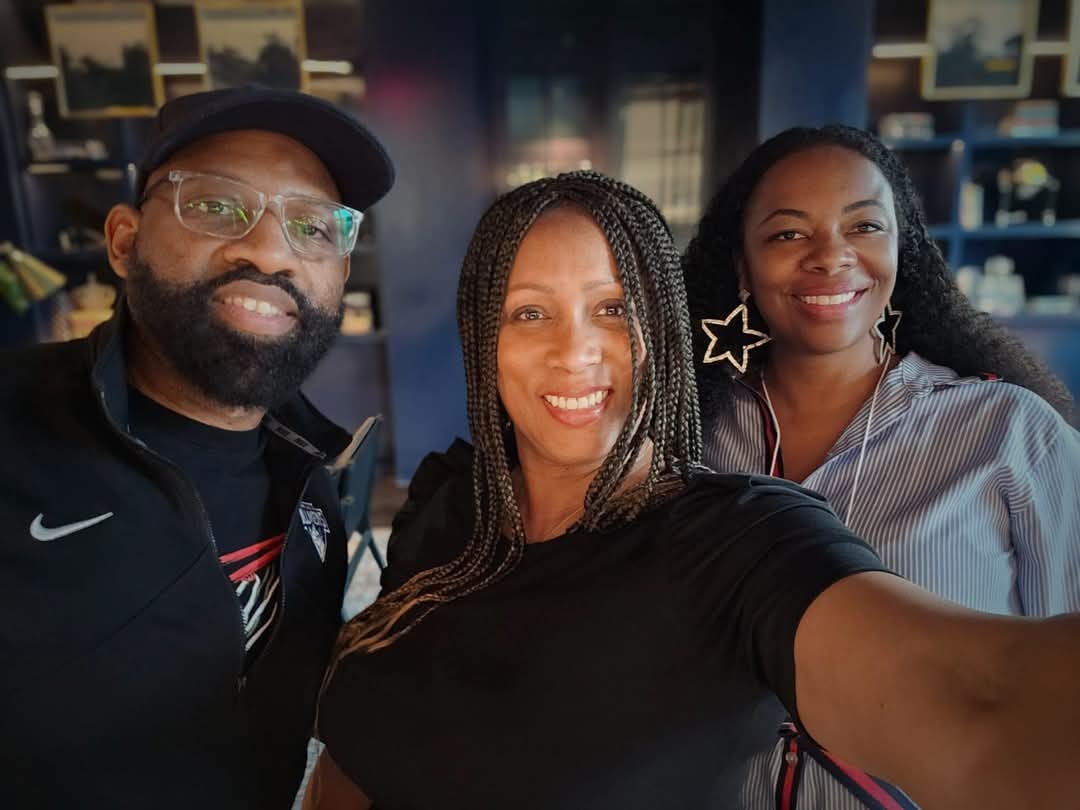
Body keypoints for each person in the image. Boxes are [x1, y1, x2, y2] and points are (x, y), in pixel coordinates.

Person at [303, 171, 1080, 810]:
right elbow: (361, 747)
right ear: (485, 339)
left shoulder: (738, 541)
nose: (574, 351)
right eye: (530, 312)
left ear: (663, 332)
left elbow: (982, 701)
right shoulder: (450, 503)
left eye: (614, 309)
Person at [0, 86, 394, 809]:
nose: (268, 251)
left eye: (312, 226)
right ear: (124, 241)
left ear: (340, 273)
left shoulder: (311, 487)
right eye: (216, 205)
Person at [682, 125, 1080, 809]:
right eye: (787, 234)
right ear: (741, 268)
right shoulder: (690, 440)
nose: (831, 256)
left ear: (902, 250)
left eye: (864, 226)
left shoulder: (1010, 434)